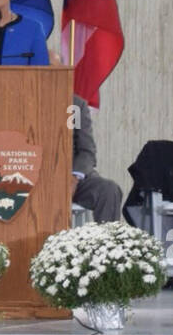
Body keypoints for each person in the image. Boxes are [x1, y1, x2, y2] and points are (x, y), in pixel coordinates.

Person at [47, 46, 122, 222]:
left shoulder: (75, 105)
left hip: (72, 177)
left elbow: (87, 151)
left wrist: (74, 177)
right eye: (43, 69)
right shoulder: (23, 101)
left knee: (109, 190)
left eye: (53, 70)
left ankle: (108, 246)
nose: (48, 75)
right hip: (36, 176)